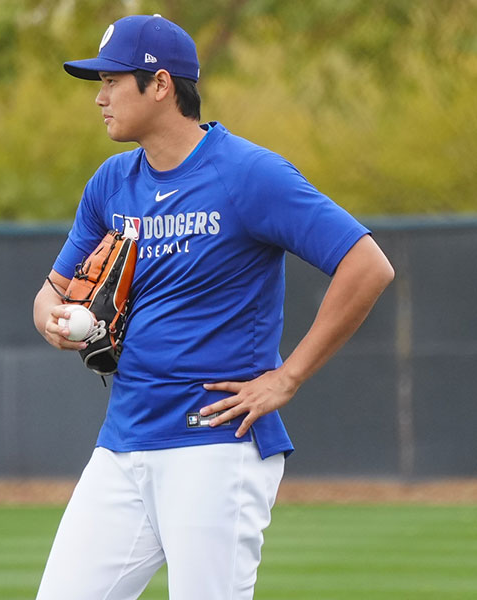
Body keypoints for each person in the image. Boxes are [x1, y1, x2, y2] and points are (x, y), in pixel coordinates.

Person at [32, 15, 394, 600]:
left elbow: (368, 264)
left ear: (160, 84)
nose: (98, 97)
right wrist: (52, 319)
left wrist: (287, 377)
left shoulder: (247, 173)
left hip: (214, 446)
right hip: (124, 443)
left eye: (111, 81)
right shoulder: (111, 182)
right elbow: (50, 292)